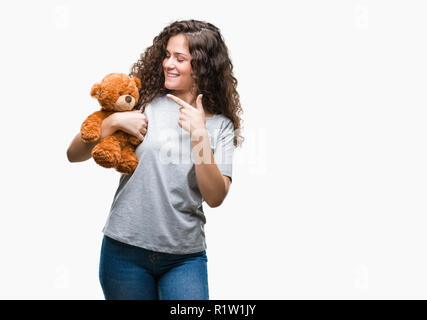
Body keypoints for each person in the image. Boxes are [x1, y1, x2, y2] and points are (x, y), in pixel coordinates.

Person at [66, 19, 244, 300]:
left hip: (183, 258)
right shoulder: (143, 101)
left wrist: (199, 135)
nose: (168, 64)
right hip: (124, 252)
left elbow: (215, 196)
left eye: (180, 58)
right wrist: (113, 122)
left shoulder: (220, 125)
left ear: (203, 65)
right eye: (167, 55)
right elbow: (73, 154)